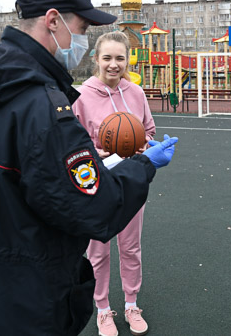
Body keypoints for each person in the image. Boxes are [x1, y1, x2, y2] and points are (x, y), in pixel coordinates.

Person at [0, 0, 178, 336]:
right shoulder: (40, 105)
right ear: (53, 21)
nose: (84, 41)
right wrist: (144, 164)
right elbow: (94, 206)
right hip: (25, 286)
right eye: (83, 27)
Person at [72, 31, 155, 336]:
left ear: (128, 59)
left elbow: (148, 130)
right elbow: (72, 144)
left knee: (131, 247)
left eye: (120, 58)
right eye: (107, 57)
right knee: (98, 251)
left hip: (130, 182)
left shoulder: (136, 93)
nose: (114, 64)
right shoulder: (80, 96)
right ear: (96, 59)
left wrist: (145, 145)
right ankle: (103, 309)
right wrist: (97, 152)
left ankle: (132, 304)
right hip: (95, 185)